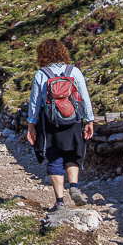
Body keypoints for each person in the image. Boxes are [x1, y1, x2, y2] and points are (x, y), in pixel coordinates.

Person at [25, 38, 95, 210]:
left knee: (55, 158)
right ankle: (74, 187)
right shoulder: (74, 71)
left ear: (42, 55)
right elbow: (84, 97)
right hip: (73, 121)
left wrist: (31, 125)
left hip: (49, 123)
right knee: (72, 154)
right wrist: (90, 120)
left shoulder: (41, 74)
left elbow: (35, 103)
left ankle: (59, 201)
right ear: (62, 52)